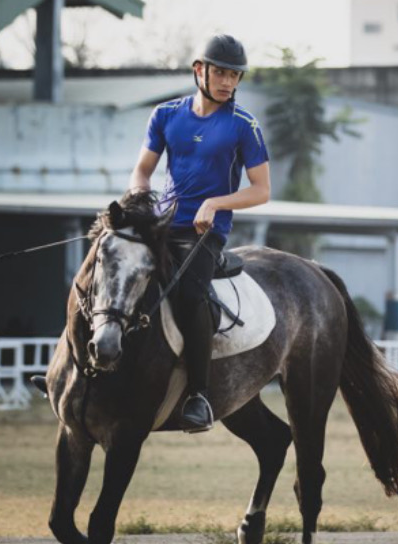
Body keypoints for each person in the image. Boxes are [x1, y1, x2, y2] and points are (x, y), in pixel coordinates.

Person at [128, 34, 270, 432]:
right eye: (221, 72)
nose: (228, 82)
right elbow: (142, 170)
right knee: (109, 268)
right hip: (161, 225)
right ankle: (81, 371)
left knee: (190, 294)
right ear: (199, 70)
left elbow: (262, 190)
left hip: (205, 233)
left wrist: (216, 203)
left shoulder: (244, 126)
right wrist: (139, 199)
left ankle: (200, 396)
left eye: (235, 75)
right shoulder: (165, 115)